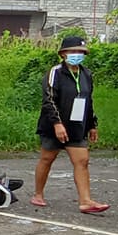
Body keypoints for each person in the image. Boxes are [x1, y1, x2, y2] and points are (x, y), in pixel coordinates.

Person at [32, 35, 108, 214]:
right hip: (54, 125)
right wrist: (57, 124)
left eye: (81, 52)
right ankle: (38, 194)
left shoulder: (86, 74)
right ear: (63, 54)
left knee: (82, 161)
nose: (77, 55)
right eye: (73, 51)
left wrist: (92, 124)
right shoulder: (55, 73)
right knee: (47, 158)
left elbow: (88, 101)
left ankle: (85, 201)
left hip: (77, 126)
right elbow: (49, 100)